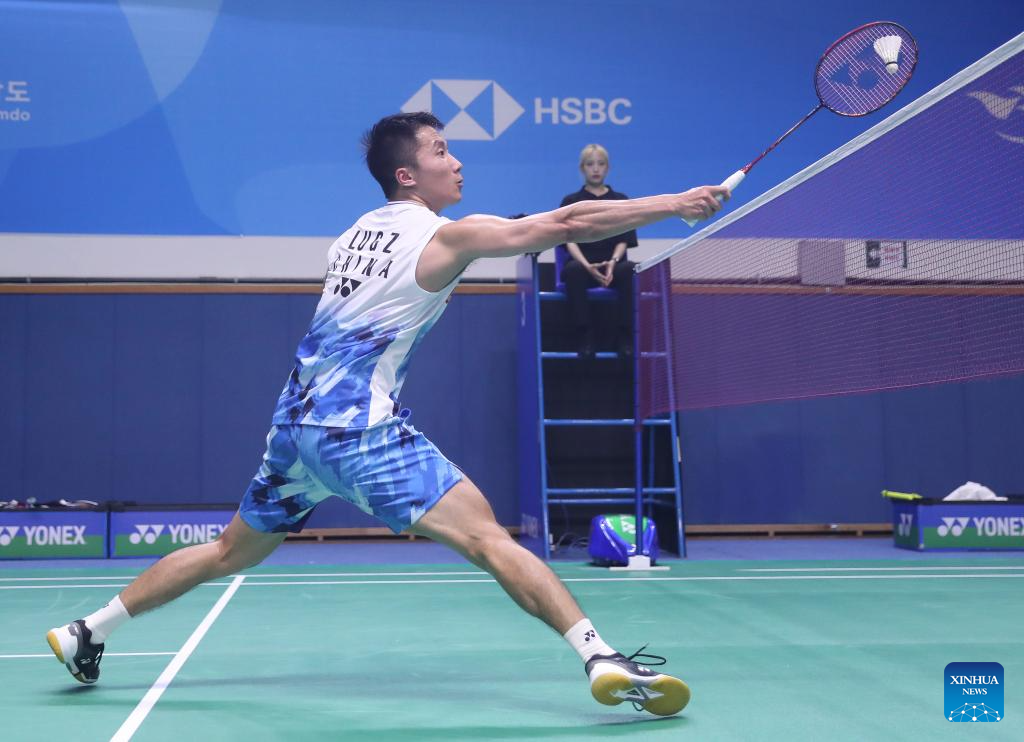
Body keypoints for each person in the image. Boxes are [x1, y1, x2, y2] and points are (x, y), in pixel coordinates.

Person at [45, 112, 728, 717]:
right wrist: (677, 204)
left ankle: (89, 630)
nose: (456, 162)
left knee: (230, 551)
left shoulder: (352, 236)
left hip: (294, 429)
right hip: (358, 431)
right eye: (440, 152)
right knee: (489, 539)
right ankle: (600, 658)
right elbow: (564, 224)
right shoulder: (446, 237)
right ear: (408, 175)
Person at [559, 144, 637, 359]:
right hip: (583, 265)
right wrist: (587, 266)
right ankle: (584, 337)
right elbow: (568, 239)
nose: (595, 169)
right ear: (582, 168)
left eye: (600, 164)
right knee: (573, 271)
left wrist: (613, 262)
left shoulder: (621, 200)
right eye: (590, 164)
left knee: (630, 270)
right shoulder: (570, 202)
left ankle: (625, 338)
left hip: (613, 266)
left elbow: (624, 239)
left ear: (607, 168)